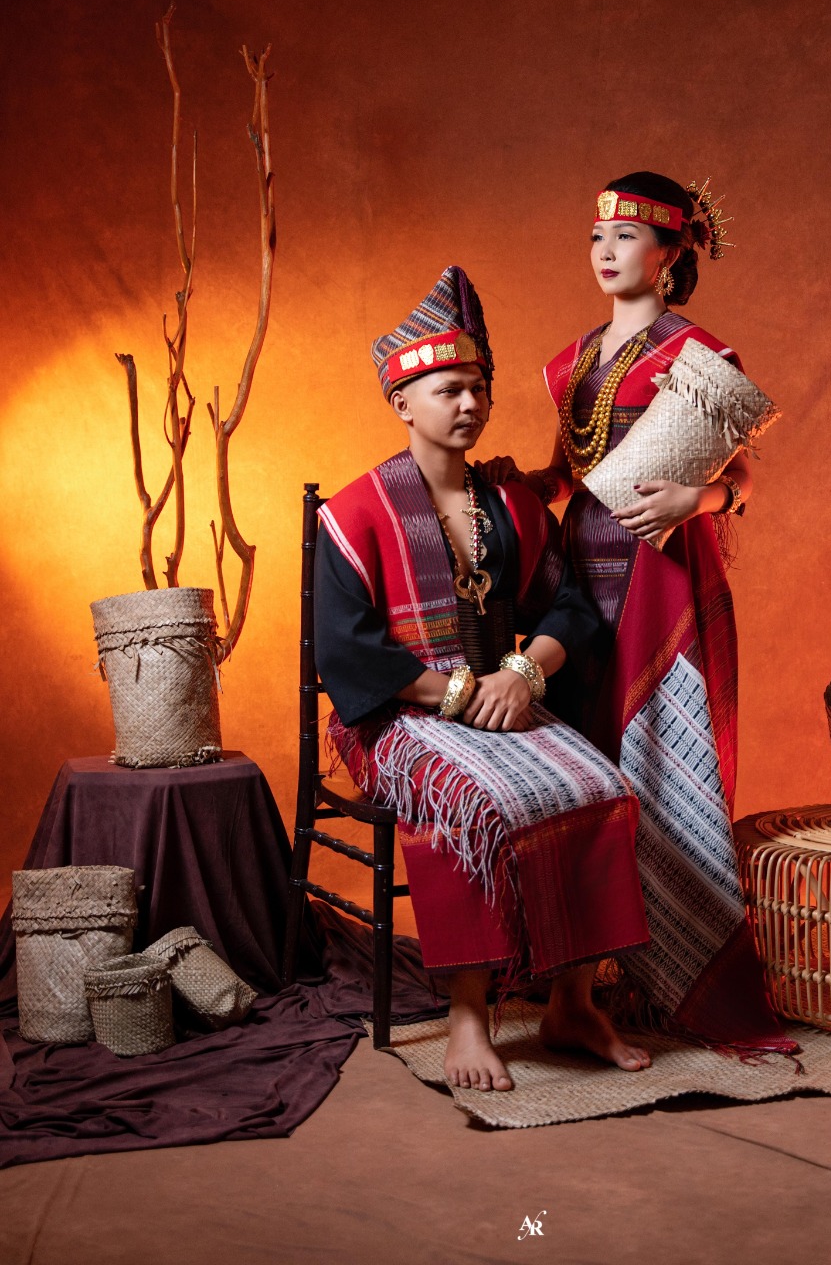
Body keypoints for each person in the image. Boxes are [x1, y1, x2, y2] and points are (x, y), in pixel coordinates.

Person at [314, 264, 653, 1093]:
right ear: (403, 403)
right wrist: (460, 694)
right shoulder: (354, 514)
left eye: (478, 389)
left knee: (603, 789)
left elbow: (570, 608)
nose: (469, 404)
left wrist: (525, 673)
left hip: (504, 698)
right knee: (470, 798)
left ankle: (572, 1003)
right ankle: (468, 1016)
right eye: (448, 391)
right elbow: (348, 652)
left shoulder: (511, 507)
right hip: (397, 714)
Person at [479, 173, 791, 1051]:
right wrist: (521, 484)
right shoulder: (574, 360)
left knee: (649, 766)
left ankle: (665, 982)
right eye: (597, 236)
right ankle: (573, 992)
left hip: (660, 582)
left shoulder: (697, 354)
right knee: (584, 770)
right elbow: (569, 474)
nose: (606, 251)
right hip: (579, 583)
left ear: (668, 255)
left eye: (626, 237)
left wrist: (698, 499)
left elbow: (739, 476)